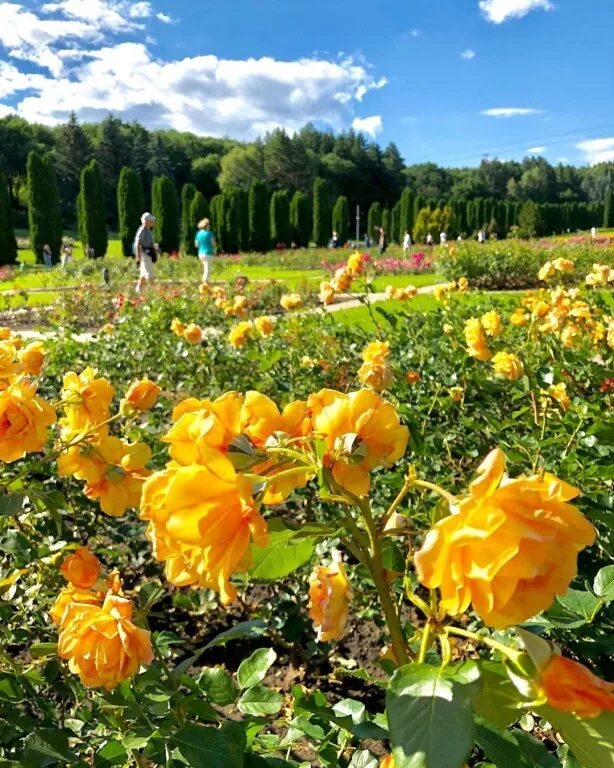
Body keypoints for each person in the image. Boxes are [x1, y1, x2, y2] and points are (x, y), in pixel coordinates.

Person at [135, 212, 157, 293]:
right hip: (145, 254)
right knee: (149, 274)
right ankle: (153, 292)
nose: (153, 222)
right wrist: (138, 258)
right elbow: (138, 244)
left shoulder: (147, 230)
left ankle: (138, 291)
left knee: (143, 275)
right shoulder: (142, 230)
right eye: (151, 220)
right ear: (147, 221)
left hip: (148, 253)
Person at [194, 218, 216, 283]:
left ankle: (205, 282)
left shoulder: (198, 234)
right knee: (207, 269)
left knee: (205, 268)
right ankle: (205, 283)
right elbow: (213, 243)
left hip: (200, 253)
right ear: (206, 225)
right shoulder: (209, 233)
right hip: (208, 253)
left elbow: (196, 245)